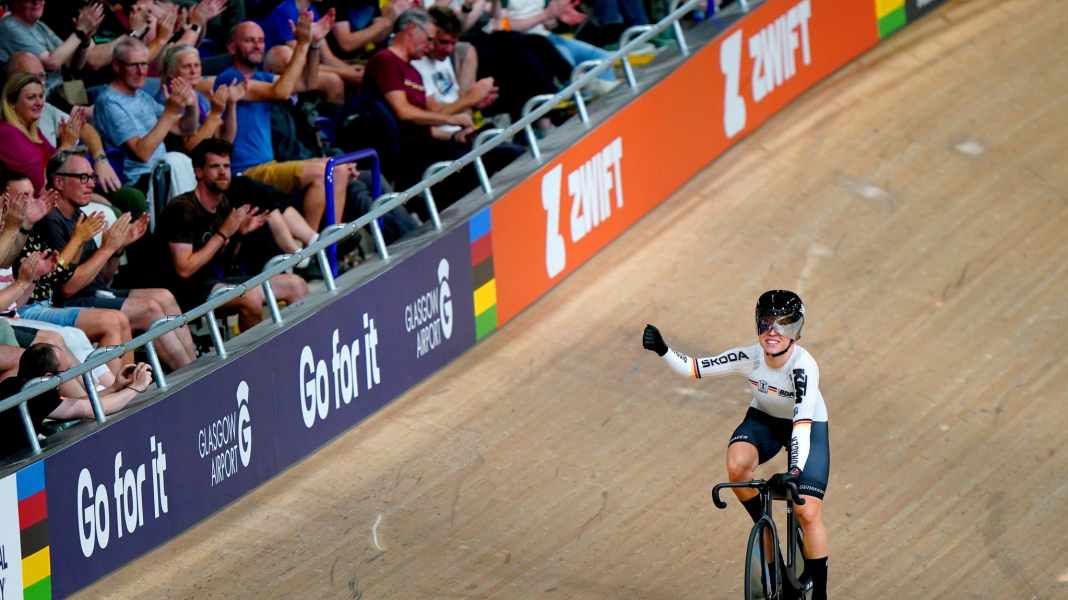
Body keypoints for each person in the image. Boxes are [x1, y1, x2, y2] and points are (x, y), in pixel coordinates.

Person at [642, 290, 830, 600]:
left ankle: (820, 593)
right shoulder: (749, 357)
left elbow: (801, 425)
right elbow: (695, 368)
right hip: (764, 420)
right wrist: (663, 350)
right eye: (767, 323)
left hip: (807, 426)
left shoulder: (803, 367)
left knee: (808, 513)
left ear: (796, 332)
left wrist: (793, 472)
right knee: (737, 464)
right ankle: (764, 525)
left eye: (783, 325)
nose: (773, 332)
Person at [35, 150, 197, 371]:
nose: (91, 184)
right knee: (150, 309)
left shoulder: (78, 216)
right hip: (66, 304)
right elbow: (68, 288)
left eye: (92, 177)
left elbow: (103, 279)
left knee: (164, 296)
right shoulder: (50, 222)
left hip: (92, 293)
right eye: (83, 177)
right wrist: (108, 248)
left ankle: (197, 366)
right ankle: (190, 373)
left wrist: (118, 247)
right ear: (59, 182)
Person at [363, 8, 525, 216]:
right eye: (429, 39)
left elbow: (426, 124)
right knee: (486, 161)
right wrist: (453, 116)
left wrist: (455, 133)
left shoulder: (412, 70)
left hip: (430, 144)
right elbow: (404, 113)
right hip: (407, 155)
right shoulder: (385, 60)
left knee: (500, 147)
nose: (430, 46)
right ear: (412, 29)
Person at [160, 138, 309, 329]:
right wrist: (224, 233)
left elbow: (225, 260)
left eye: (226, 166)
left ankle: (299, 348)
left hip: (217, 282)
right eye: (215, 166)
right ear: (198, 172)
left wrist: (239, 234)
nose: (222, 172)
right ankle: (257, 357)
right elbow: (184, 269)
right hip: (187, 293)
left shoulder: (223, 204)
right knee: (250, 298)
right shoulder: (182, 210)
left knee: (296, 285)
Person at [0, 342, 152, 459]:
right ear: (48, 376)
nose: (67, 378)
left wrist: (114, 388)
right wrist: (136, 388)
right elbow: (93, 409)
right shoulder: (37, 395)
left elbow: (75, 404)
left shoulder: (12, 384)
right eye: (65, 373)